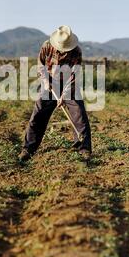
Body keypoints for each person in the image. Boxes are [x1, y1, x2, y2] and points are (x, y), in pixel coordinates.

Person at [19, 25, 92, 162]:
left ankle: (84, 149)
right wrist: (46, 82)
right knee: (38, 115)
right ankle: (28, 149)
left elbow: (73, 76)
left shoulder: (76, 52)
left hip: (69, 86)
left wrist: (64, 95)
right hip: (50, 83)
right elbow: (41, 65)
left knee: (79, 116)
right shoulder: (47, 46)